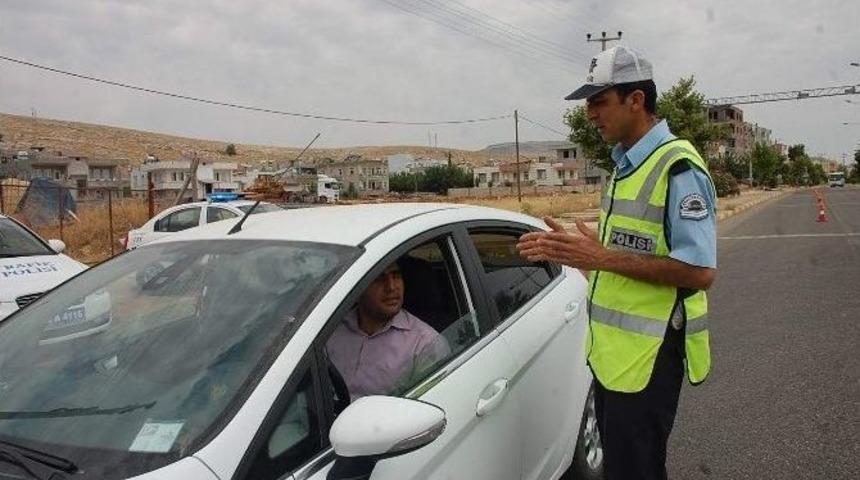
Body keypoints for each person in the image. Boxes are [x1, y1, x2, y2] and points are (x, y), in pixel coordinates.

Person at [517, 45, 717, 480]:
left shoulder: (678, 168)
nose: (590, 113)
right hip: (613, 358)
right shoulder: (626, 165)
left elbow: (700, 272)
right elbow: (631, 253)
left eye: (598, 101)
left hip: (649, 358)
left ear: (636, 100)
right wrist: (583, 253)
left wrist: (603, 257)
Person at [326, 261, 450, 399]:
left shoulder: (425, 345)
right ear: (358, 288)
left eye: (396, 275)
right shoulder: (330, 329)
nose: (391, 287)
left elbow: (425, 411)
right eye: (379, 278)